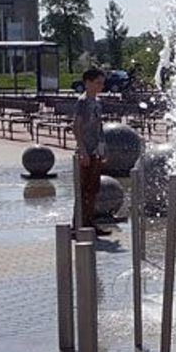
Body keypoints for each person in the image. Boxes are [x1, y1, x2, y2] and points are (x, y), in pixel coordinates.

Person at [73, 67, 112, 236]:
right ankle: (78, 225)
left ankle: (90, 222)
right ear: (87, 83)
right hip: (86, 151)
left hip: (95, 150)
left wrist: (103, 148)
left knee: (93, 188)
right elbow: (76, 126)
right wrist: (82, 150)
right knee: (83, 189)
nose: (101, 86)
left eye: (102, 83)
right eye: (98, 83)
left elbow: (99, 127)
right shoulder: (82, 102)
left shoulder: (97, 101)